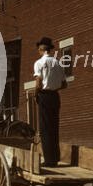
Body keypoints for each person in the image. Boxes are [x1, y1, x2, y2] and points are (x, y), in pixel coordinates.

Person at [33, 37, 67, 167]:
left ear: (41, 49)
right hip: (55, 96)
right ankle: (55, 158)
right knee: (54, 127)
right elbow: (64, 85)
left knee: (45, 127)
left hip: (44, 96)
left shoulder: (39, 63)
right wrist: (53, 88)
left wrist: (37, 94)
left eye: (39, 49)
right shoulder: (57, 63)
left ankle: (49, 160)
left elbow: (38, 83)